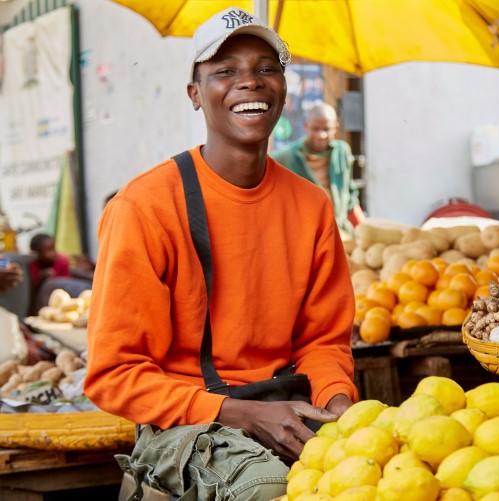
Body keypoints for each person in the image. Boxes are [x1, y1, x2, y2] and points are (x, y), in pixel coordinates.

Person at [84, 7, 357, 500]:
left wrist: (336, 402)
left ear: (284, 88)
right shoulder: (144, 207)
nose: (249, 82)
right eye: (225, 71)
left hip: (284, 402)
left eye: (265, 68)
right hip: (182, 420)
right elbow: (114, 375)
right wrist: (241, 413)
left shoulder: (311, 206)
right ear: (195, 94)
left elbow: (323, 342)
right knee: (270, 488)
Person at [272, 102, 364, 237]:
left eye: (326, 129)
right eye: (315, 129)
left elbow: (350, 197)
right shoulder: (284, 158)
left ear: (336, 128)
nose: (321, 135)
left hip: (340, 233)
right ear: (305, 126)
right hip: (304, 237)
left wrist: (364, 230)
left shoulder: (341, 152)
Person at [27, 233, 93, 313]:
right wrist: (41, 277)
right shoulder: (32, 264)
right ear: (36, 254)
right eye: (49, 250)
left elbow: (65, 285)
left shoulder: (61, 260)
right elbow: (32, 288)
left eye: (53, 248)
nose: (53, 253)